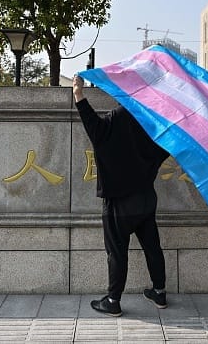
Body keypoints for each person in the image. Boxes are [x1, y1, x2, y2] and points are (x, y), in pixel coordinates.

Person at [73, 74, 170, 317]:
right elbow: (165, 149)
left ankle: (113, 300)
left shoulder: (117, 118)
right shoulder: (152, 123)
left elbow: (94, 128)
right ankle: (159, 293)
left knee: (117, 252)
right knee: (152, 247)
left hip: (119, 203)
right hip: (146, 199)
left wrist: (79, 95)